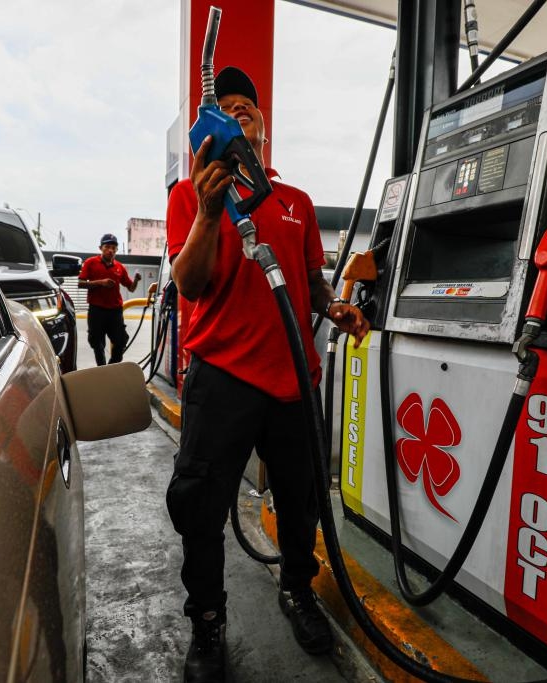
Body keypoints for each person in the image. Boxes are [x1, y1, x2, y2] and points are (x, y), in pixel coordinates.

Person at [164, 66, 369, 683]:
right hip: (222, 378)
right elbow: (189, 284)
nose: (238, 114)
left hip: (293, 380)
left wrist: (332, 304)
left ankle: (298, 588)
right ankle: (207, 620)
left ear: (262, 125)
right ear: (211, 128)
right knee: (200, 507)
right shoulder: (188, 195)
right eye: (225, 107)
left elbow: (309, 283)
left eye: (246, 107)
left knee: (302, 498)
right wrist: (206, 209)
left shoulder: (296, 203)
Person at [77, 233, 141, 365]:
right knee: (97, 343)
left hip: (115, 311)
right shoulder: (91, 263)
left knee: (121, 340)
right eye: (107, 247)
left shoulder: (120, 267)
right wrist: (101, 282)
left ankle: (111, 367)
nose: (111, 250)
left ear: (116, 250)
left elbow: (131, 288)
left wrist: (136, 280)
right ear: (100, 248)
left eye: (113, 247)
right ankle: (102, 369)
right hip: (96, 310)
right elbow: (80, 283)